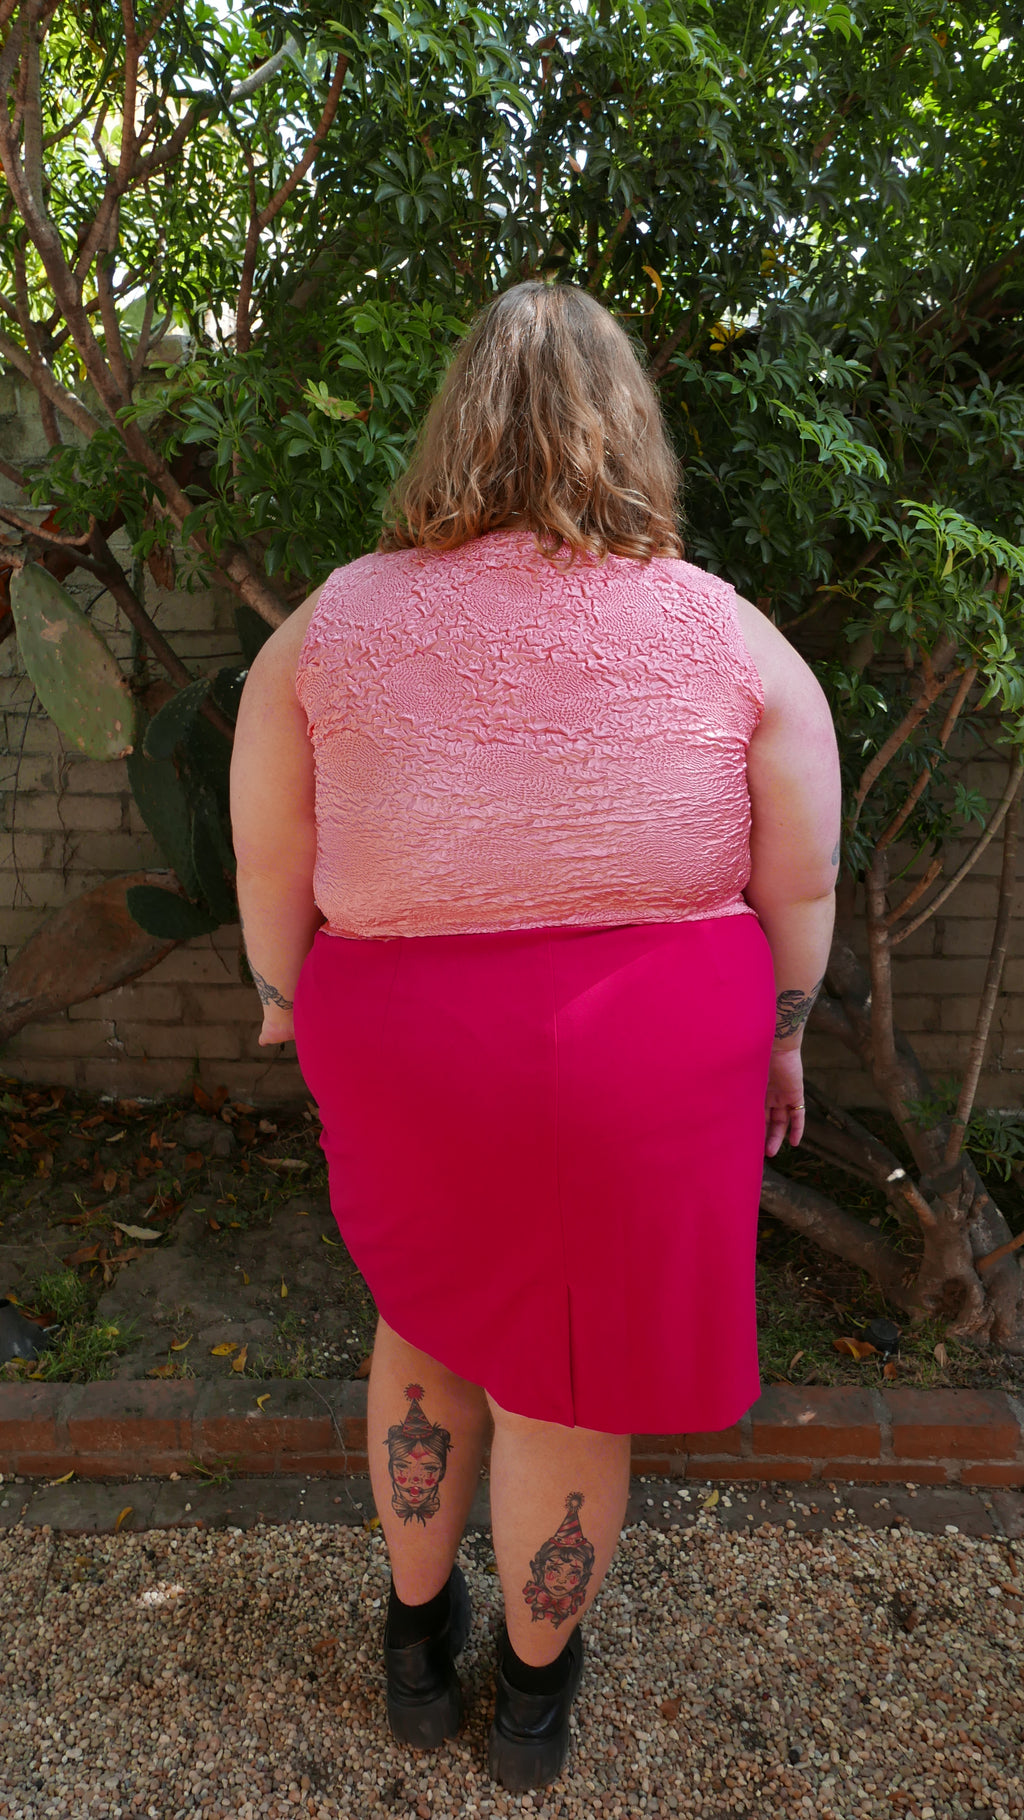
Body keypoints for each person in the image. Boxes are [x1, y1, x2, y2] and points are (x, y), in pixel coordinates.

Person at [229, 280, 841, 1792]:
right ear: (629, 428)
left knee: (428, 1322)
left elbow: (267, 859)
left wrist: (285, 996)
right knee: (570, 1373)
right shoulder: (723, 627)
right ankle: (536, 1696)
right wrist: (783, 1036)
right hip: (648, 1056)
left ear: (454, 430)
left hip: (408, 1043)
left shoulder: (333, 620)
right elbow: (804, 874)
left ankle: (413, 1648)